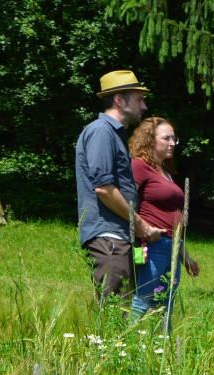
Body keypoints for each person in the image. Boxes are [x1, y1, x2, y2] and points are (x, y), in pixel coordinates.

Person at [75, 70, 169, 303]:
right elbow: (104, 189)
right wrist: (141, 226)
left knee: (121, 310)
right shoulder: (100, 132)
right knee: (114, 314)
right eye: (139, 99)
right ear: (119, 100)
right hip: (108, 238)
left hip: (117, 239)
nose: (144, 106)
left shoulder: (114, 135)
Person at [129, 117, 199, 322]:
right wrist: (144, 229)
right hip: (153, 244)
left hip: (173, 246)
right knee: (145, 300)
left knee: (165, 304)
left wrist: (185, 255)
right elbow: (127, 202)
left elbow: (174, 216)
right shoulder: (139, 166)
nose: (172, 143)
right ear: (150, 140)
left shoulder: (166, 172)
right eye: (166, 138)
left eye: (174, 138)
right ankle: (129, 344)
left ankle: (162, 349)